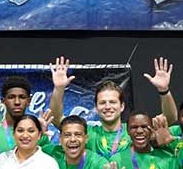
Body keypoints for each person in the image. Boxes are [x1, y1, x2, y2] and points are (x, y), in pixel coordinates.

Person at [48, 57, 176, 159]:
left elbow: (170, 118)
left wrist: (164, 91)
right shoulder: (89, 133)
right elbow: (56, 119)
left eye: (112, 102)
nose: (107, 107)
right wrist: (59, 89)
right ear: (96, 108)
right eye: (103, 103)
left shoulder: (136, 130)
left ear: (122, 106)